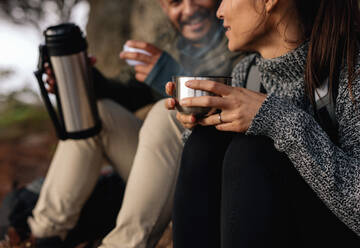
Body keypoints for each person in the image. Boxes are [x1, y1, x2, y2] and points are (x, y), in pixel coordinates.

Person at [0, 0, 242, 248]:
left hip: (216, 175)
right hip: (166, 172)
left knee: (164, 113)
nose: (189, 9)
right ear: (164, 8)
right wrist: (87, 81)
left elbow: (238, 98)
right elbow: (130, 93)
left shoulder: (239, 32)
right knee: (97, 113)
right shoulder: (171, 41)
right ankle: (40, 237)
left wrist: (171, 75)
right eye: (176, 2)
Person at [166, 0, 360, 247]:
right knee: (204, 143)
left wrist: (277, 119)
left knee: (251, 152)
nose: (219, 11)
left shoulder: (358, 68)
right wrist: (203, 123)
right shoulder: (248, 73)